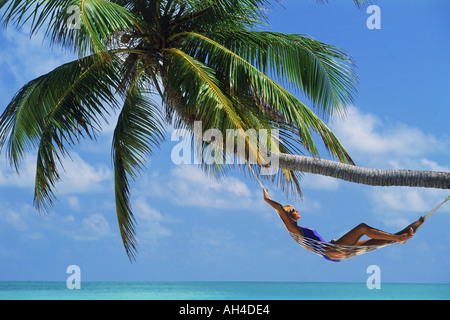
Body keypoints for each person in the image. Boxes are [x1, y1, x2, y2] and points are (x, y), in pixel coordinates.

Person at [263, 188, 424, 261]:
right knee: (362, 228)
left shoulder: (297, 230)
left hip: (333, 252)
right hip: (332, 252)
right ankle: (399, 238)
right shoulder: (293, 229)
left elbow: (316, 245)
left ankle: (414, 226)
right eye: (292, 210)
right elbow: (279, 209)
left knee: (377, 242)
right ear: (288, 217)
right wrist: (267, 199)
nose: (296, 210)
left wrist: (331, 243)